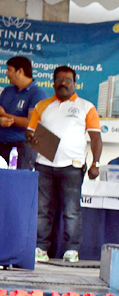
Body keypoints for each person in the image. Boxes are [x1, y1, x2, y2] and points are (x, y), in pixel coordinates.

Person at [26, 66, 102, 263]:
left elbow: (95, 138)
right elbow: (29, 131)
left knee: (71, 211)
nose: (63, 83)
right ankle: (40, 248)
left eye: (68, 79)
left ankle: (71, 250)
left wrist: (96, 163)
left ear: (75, 83)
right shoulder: (42, 106)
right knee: (43, 209)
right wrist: (32, 137)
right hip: (44, 164)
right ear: (53, 83)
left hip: (72, 166)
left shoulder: (87, 107)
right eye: (59, 79)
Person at [0, 56, 46, 170]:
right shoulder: (7, 91)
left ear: (20, 71)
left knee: (19, 183)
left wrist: (5, 116)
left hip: (23, 148)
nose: (6, 73)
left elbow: (30, 123)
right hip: (2, 145)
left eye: (9, 70)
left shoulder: (38, 93)